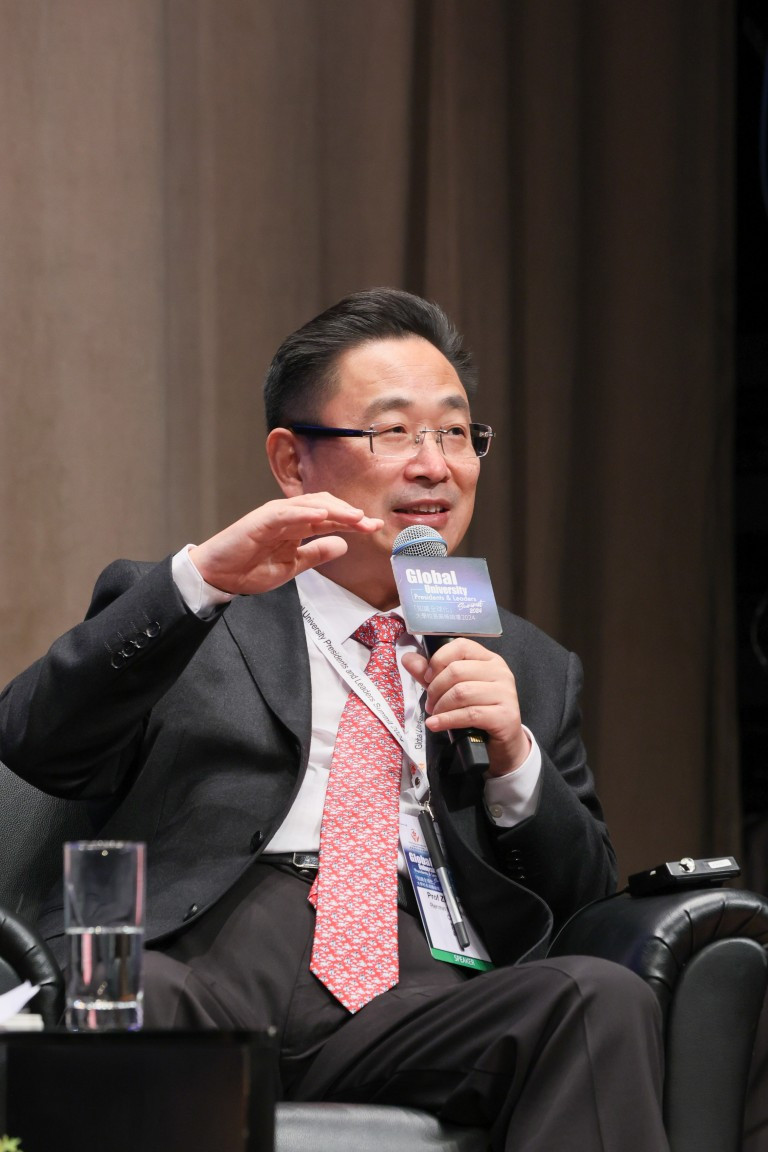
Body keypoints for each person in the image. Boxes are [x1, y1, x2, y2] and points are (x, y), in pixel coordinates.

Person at [0, 288, 668, 1151]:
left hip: (415, 990)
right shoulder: (200, 609)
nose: (434, 466)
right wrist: (199, 583)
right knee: (126, 1004)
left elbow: (580, 905)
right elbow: (35, 742)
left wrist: (516, 760)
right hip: (199, 960)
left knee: (597, 997)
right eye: (393, 433)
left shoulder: (525, 664)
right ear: (292, 462)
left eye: (455, 433)